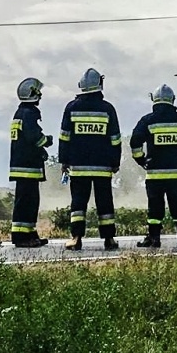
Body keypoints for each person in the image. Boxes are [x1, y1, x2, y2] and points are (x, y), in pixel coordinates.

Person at [129, 85, 177, 249]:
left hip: (154, 175)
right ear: (172, 100)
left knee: (155, 209)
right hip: (175, 175)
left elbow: (135, 141)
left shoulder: (148, 120)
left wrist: (141, 160)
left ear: (154, 100)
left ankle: (155, 239)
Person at [57, 67, 122, 250]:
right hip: (102, 167)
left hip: (78, 167)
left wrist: (64, 162)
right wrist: (115, 162)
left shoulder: (71, 108)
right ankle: (109, 239)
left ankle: (76, 238)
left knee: (78, 203)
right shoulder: (108, 109)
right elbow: (115, 139)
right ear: (100, 85)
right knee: (105, 203)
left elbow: (64, 137)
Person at [8, 77, 52, 247]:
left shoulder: (19, 113)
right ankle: (21, 238)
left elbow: (25, 141)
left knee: (28, 201)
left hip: (22, 165)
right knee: (27, 202)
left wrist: (40, 152)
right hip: (27, 167)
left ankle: (30, 233)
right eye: (38, 92)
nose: (40, 95)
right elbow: (34, 137)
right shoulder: (29, 113)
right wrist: (46, 141)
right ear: (32, 93)